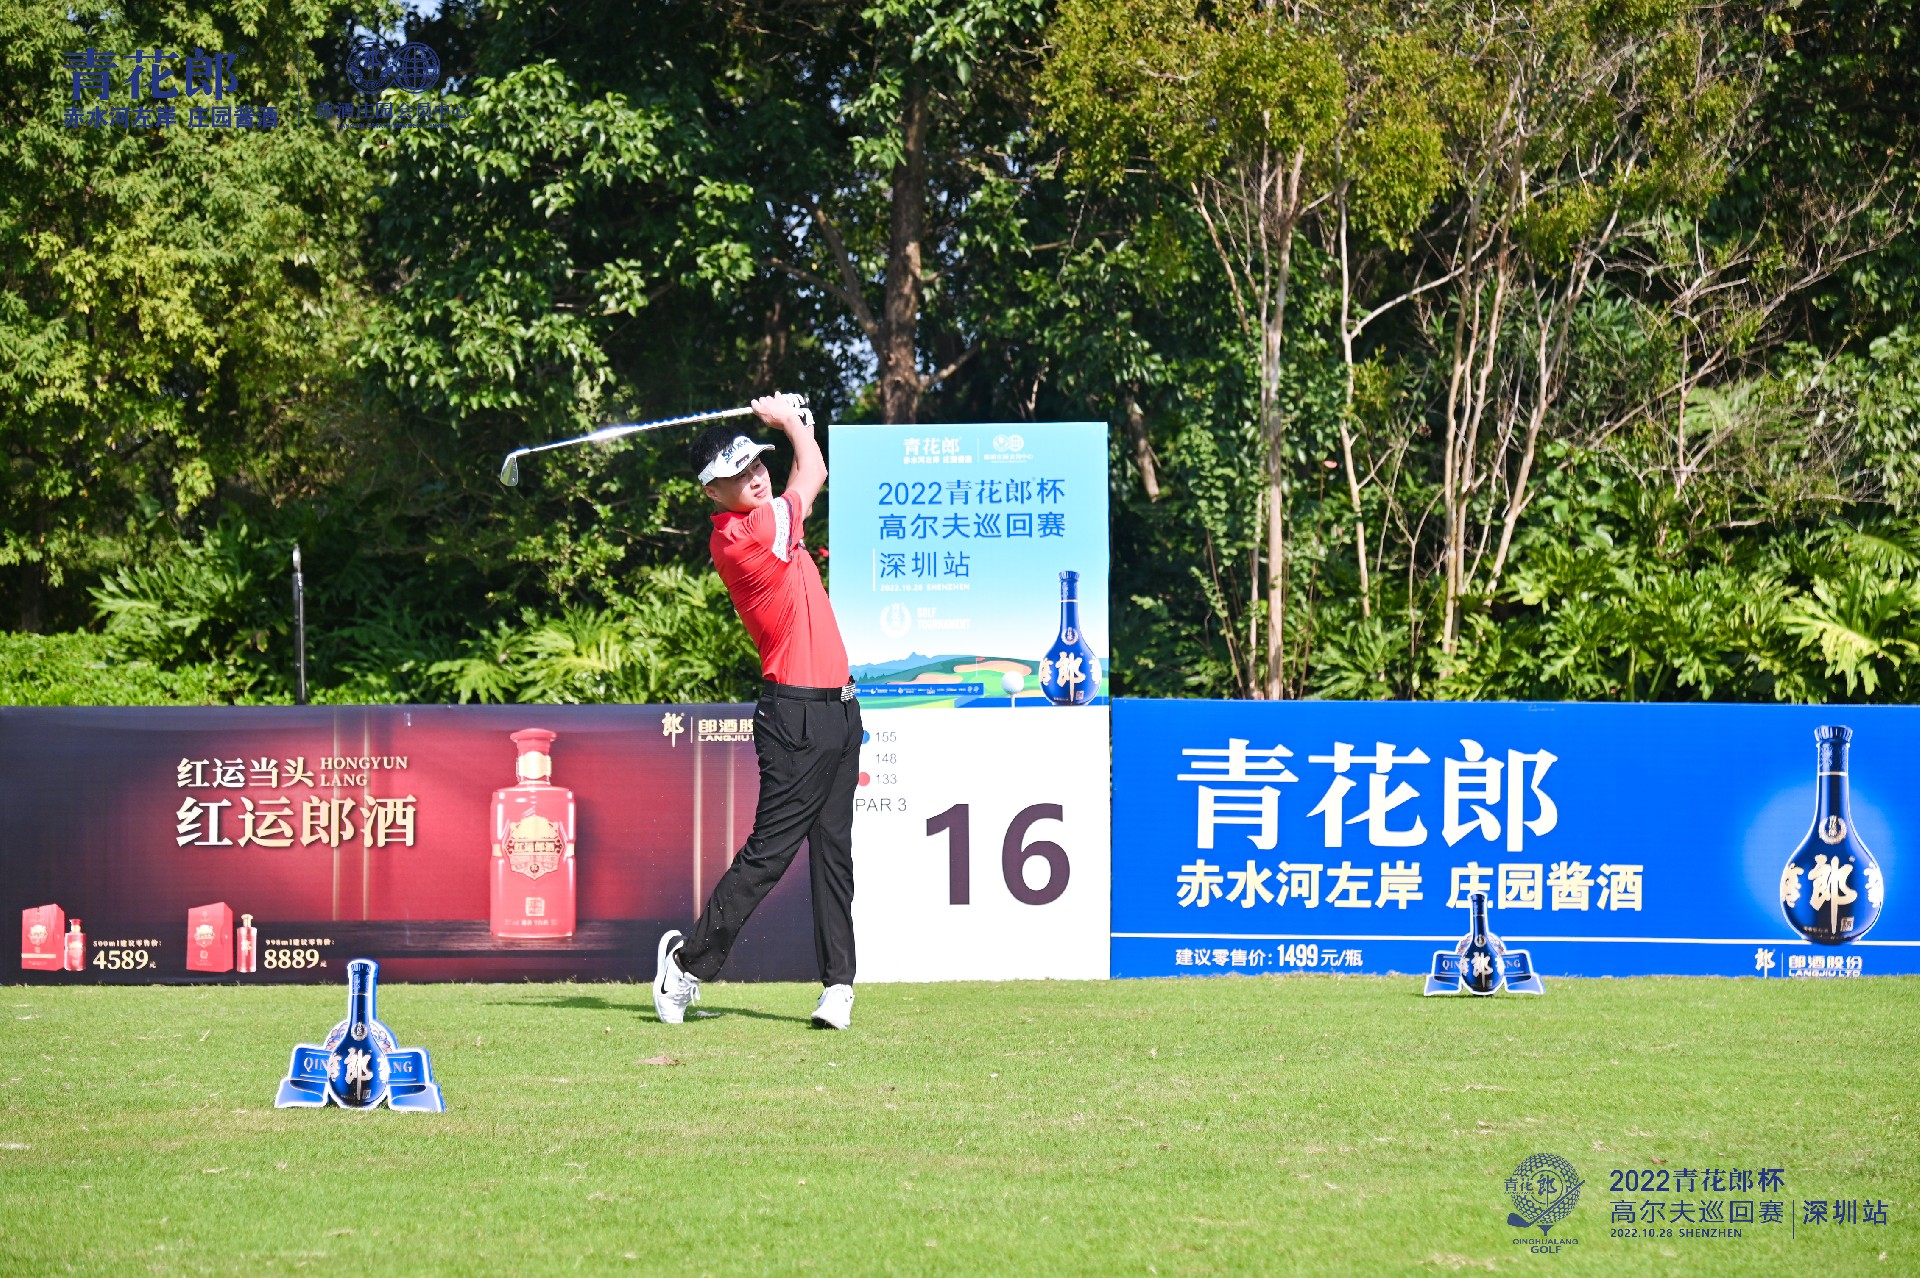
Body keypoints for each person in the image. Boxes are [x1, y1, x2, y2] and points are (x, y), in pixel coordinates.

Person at [653, 393, 861, 1030]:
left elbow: (801, 476)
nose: (754, 475)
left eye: (756, 463)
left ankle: (838, 988)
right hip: (795, 716)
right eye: (738, 473)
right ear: (712, 493)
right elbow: (813, 473)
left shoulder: (768, 522)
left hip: (839, 711)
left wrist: (797, 425)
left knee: (833, 854)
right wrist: (791, 421)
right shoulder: (744, 536)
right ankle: (684, 966)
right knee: (770, 853)